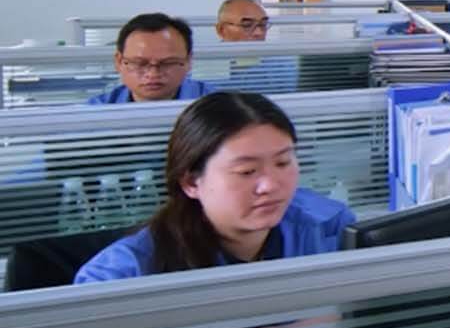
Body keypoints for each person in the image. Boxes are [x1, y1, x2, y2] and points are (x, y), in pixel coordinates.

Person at [76, 91, 355, 282]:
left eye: (283, 163)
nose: (270, 185)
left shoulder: (329, 226)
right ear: (191, 182)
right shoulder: (122, 274)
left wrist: (322, 324)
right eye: (246, 172)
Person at [90, 14, 212, 105]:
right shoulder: (94, 112)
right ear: (119, 62)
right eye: (139, 63)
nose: (153, 74)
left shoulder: (216, 106)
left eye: (168, 63)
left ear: (188, 61)